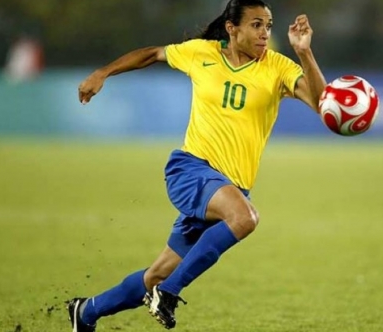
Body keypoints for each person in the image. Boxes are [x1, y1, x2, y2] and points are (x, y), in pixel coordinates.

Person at [67, 0, 326, 331]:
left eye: (269, 25)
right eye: (256, 25)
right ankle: (169, 294)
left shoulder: (277, 66)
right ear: (233, 28)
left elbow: (321, 104)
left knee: (157, 272)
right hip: (191, 170)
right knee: (246, 218)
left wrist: (304, 52)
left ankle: (86, 311)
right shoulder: (201, 53)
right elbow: (152, 54)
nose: (265, 33)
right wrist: (102, 72)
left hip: (229, 187)